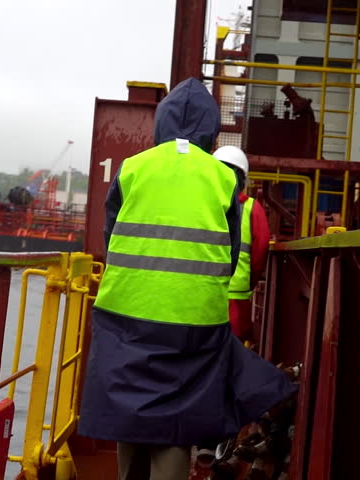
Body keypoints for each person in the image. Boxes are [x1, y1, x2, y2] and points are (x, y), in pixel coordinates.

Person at [78, 77, 296, 480]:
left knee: (130, 404)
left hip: (125, 313)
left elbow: (111, 238)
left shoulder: (132, 169)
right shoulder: (223, 178)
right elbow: (230, 255)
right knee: (178, 414)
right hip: (194, 321)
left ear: (161, 124)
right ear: (210, 131)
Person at [212, 146, 270, 343]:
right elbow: (260, 252)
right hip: (236, 298)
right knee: (231, 353)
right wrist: (249, 283)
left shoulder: (201, 204)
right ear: (243, 179)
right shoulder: (253, 209)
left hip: (200, 294)